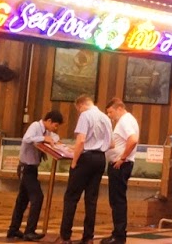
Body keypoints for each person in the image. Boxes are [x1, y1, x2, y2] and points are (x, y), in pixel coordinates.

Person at [56, 95, 112, 244]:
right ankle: (88, 237)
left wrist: (74, 161)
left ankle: (65, 236)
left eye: (78, 109)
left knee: (71, 197)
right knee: (91, 200)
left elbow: (81, 140)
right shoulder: (105, 117)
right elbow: (110, 143)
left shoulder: (85, 115)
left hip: (85, 159)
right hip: (100, 159)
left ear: (81, 105)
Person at [8, 110, 63, 241]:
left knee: (22, 200)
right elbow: (27, 138)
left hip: (32, 169)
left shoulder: (46, 131)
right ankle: (29, 231)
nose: (55, 129)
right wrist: (44, 138)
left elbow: (55, 137)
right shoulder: (35, 126)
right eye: (55, 125)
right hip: (25, 168)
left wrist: (52, 139)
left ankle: (13, 229)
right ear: (49, 121)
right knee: (37, 197)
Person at [105, 100, 140, 244]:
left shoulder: (125, 121)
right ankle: (117, 233)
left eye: (110, 112)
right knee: (116, 200)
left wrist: (122, 158)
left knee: (117, 200)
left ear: (119, 108)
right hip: (120, 164)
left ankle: (119, 236)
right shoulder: (127, 120)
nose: (109, 115)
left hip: (120, 165)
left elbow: (133, 140)